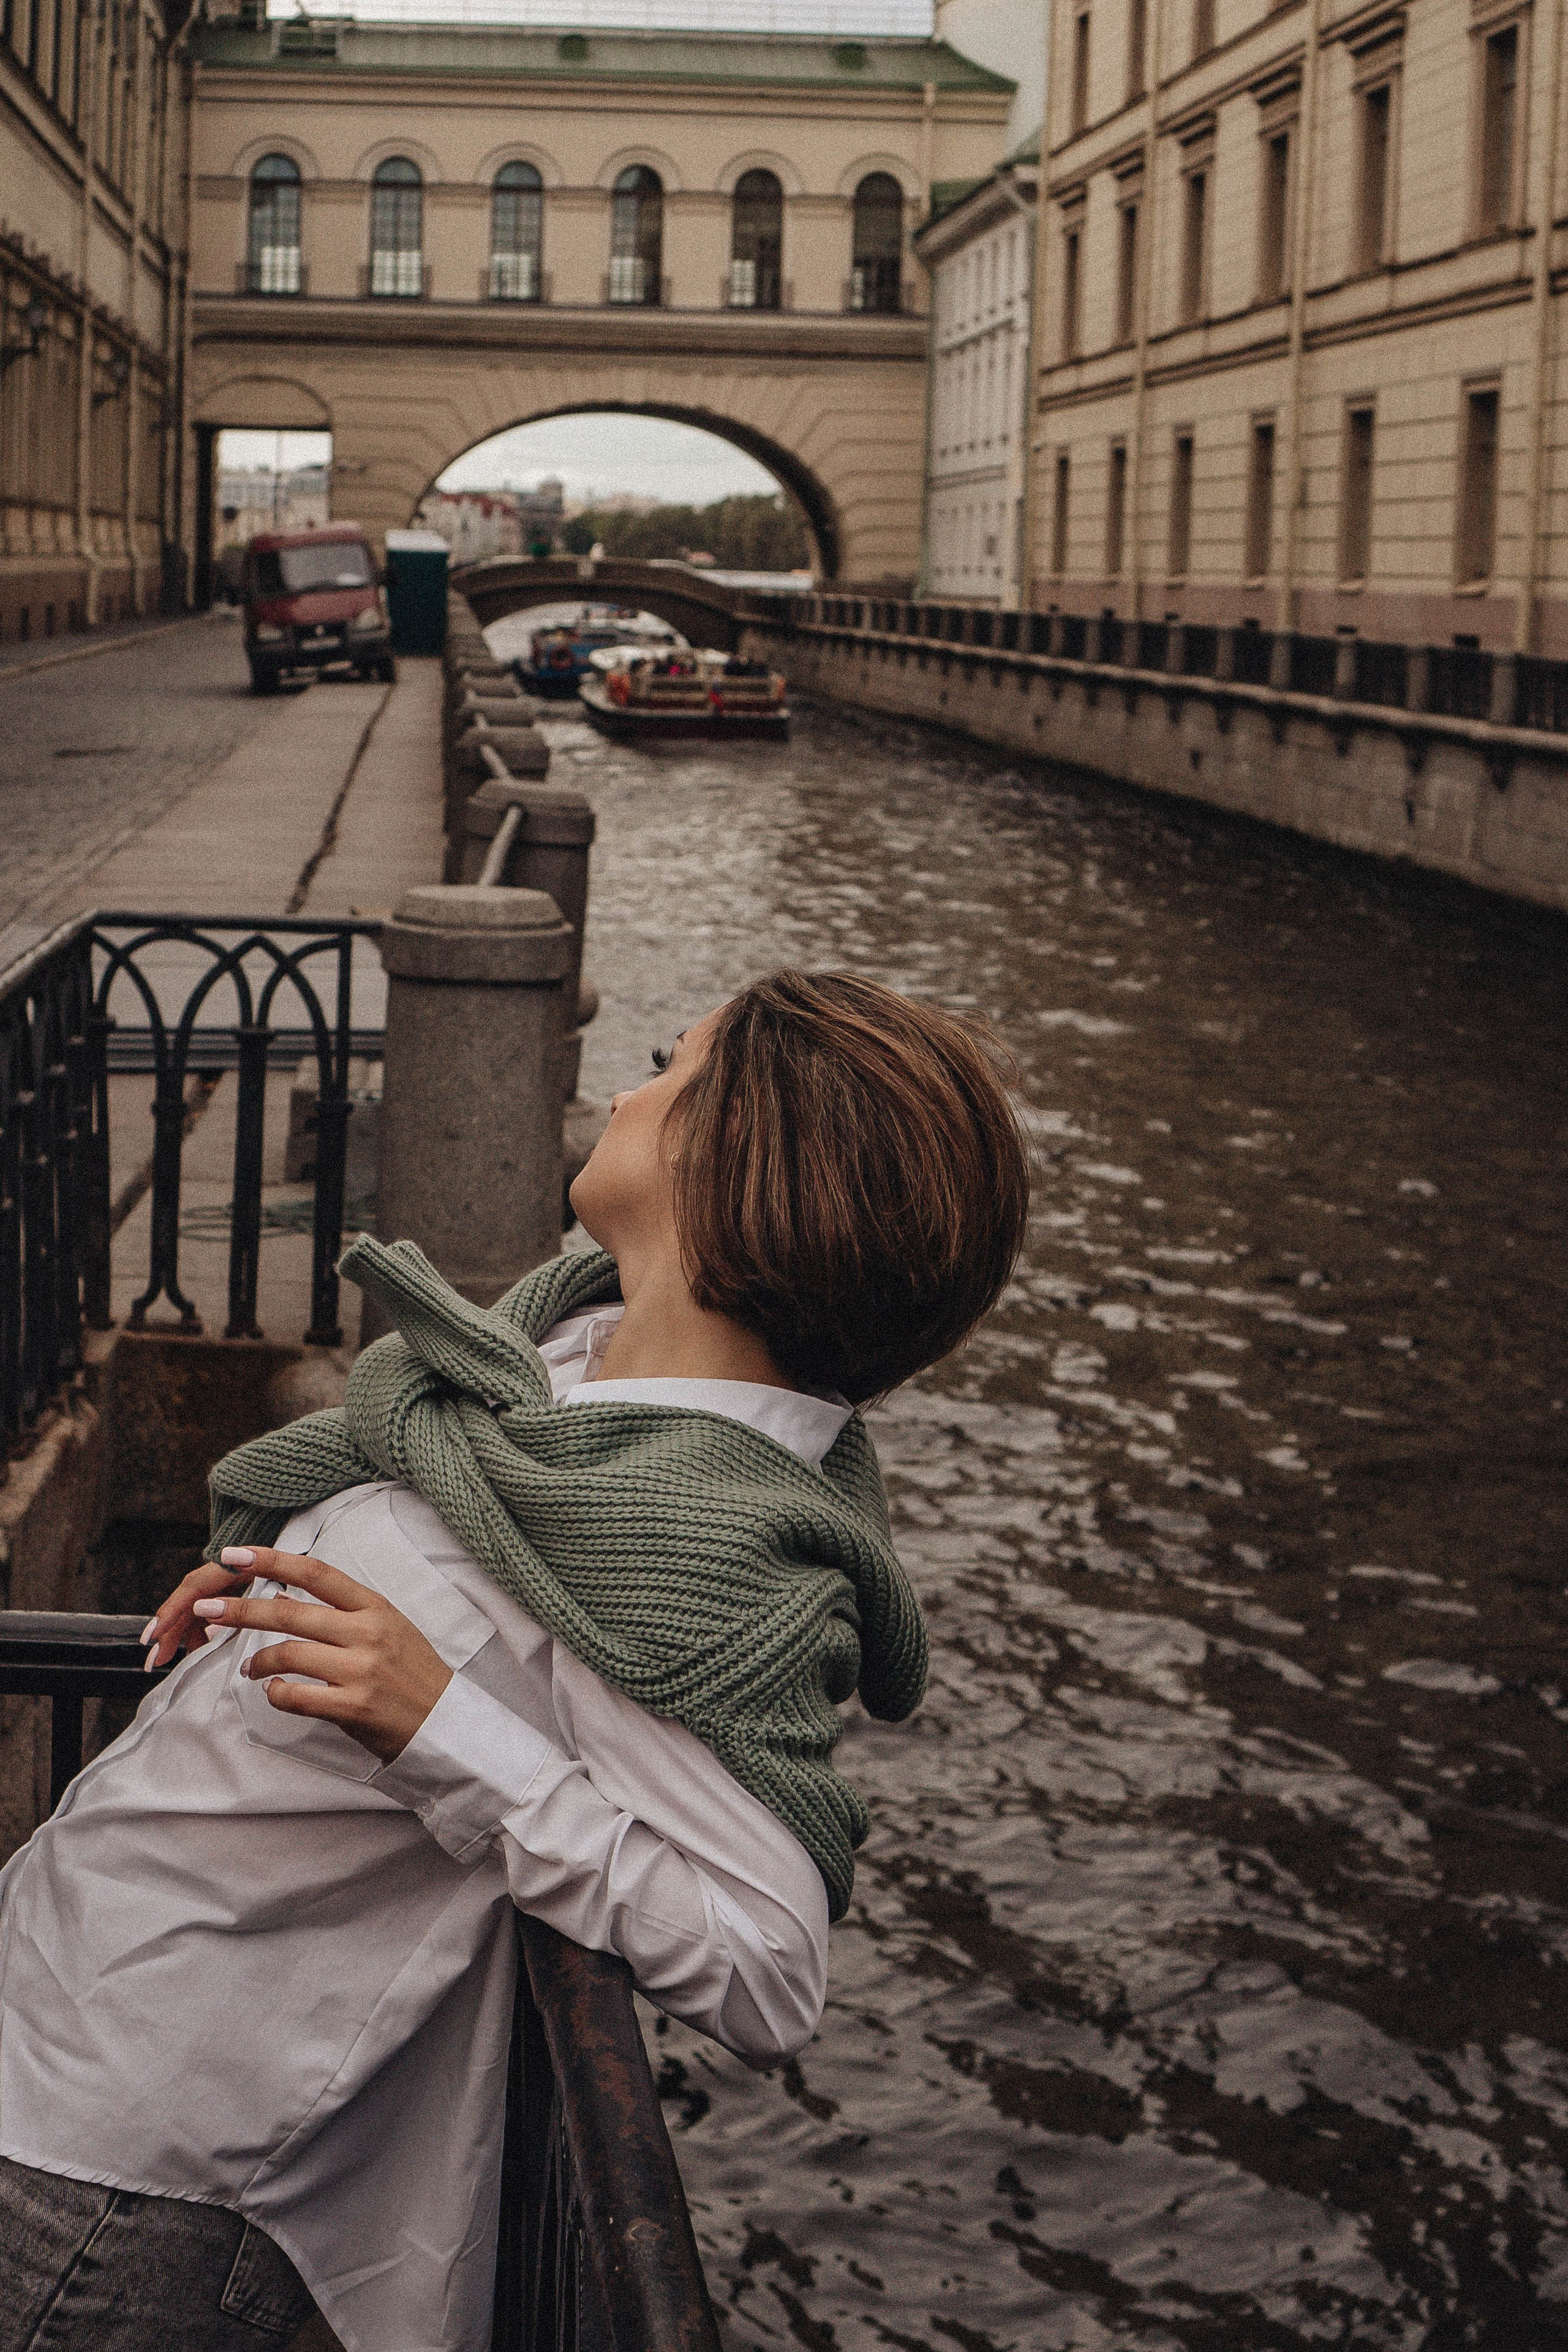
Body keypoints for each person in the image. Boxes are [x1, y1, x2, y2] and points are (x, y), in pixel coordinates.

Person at [0, 971, 1030, 2352]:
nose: (624, 1090)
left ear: (740, 1157)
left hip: (128, 2160)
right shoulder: (566, 1388)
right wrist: (288, 1586)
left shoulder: (685, 1536)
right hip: (63, 2027)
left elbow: (767, 1967)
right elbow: (464, 1606)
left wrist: (435, 1725)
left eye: (673, 1069)